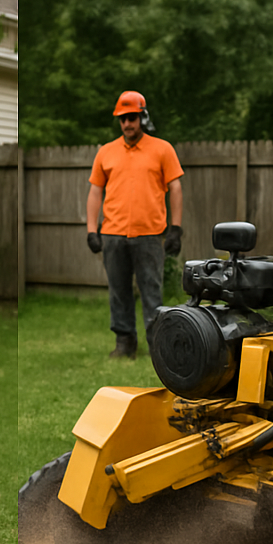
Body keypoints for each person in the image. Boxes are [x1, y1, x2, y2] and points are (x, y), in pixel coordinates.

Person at [86, 90, 184, 359]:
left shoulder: (162, 149)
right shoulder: (106, 152)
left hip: (150, 235)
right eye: (123, 119)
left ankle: (158, 346)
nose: (128, 124)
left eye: (132, 118)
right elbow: (95, 191)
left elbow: (175, 188)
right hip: (113, 234)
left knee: (152, 291)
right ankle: (124, 343)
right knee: (118, 292)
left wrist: (175, 228)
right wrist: (91, 230)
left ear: (142, 117)